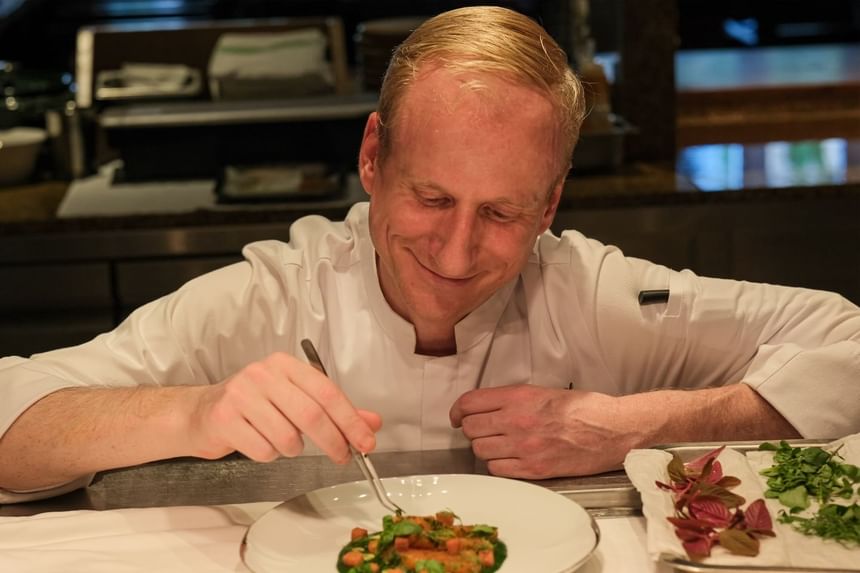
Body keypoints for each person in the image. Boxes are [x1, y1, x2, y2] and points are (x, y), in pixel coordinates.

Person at [1, 6, 858, 503]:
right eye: (432, 196)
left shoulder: (596, 296)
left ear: (550, 205)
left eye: (502, 212)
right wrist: (191, 413)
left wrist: (637, 425)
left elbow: (848, 346)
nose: (456, 251)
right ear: (373, 157)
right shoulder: (265, 300)